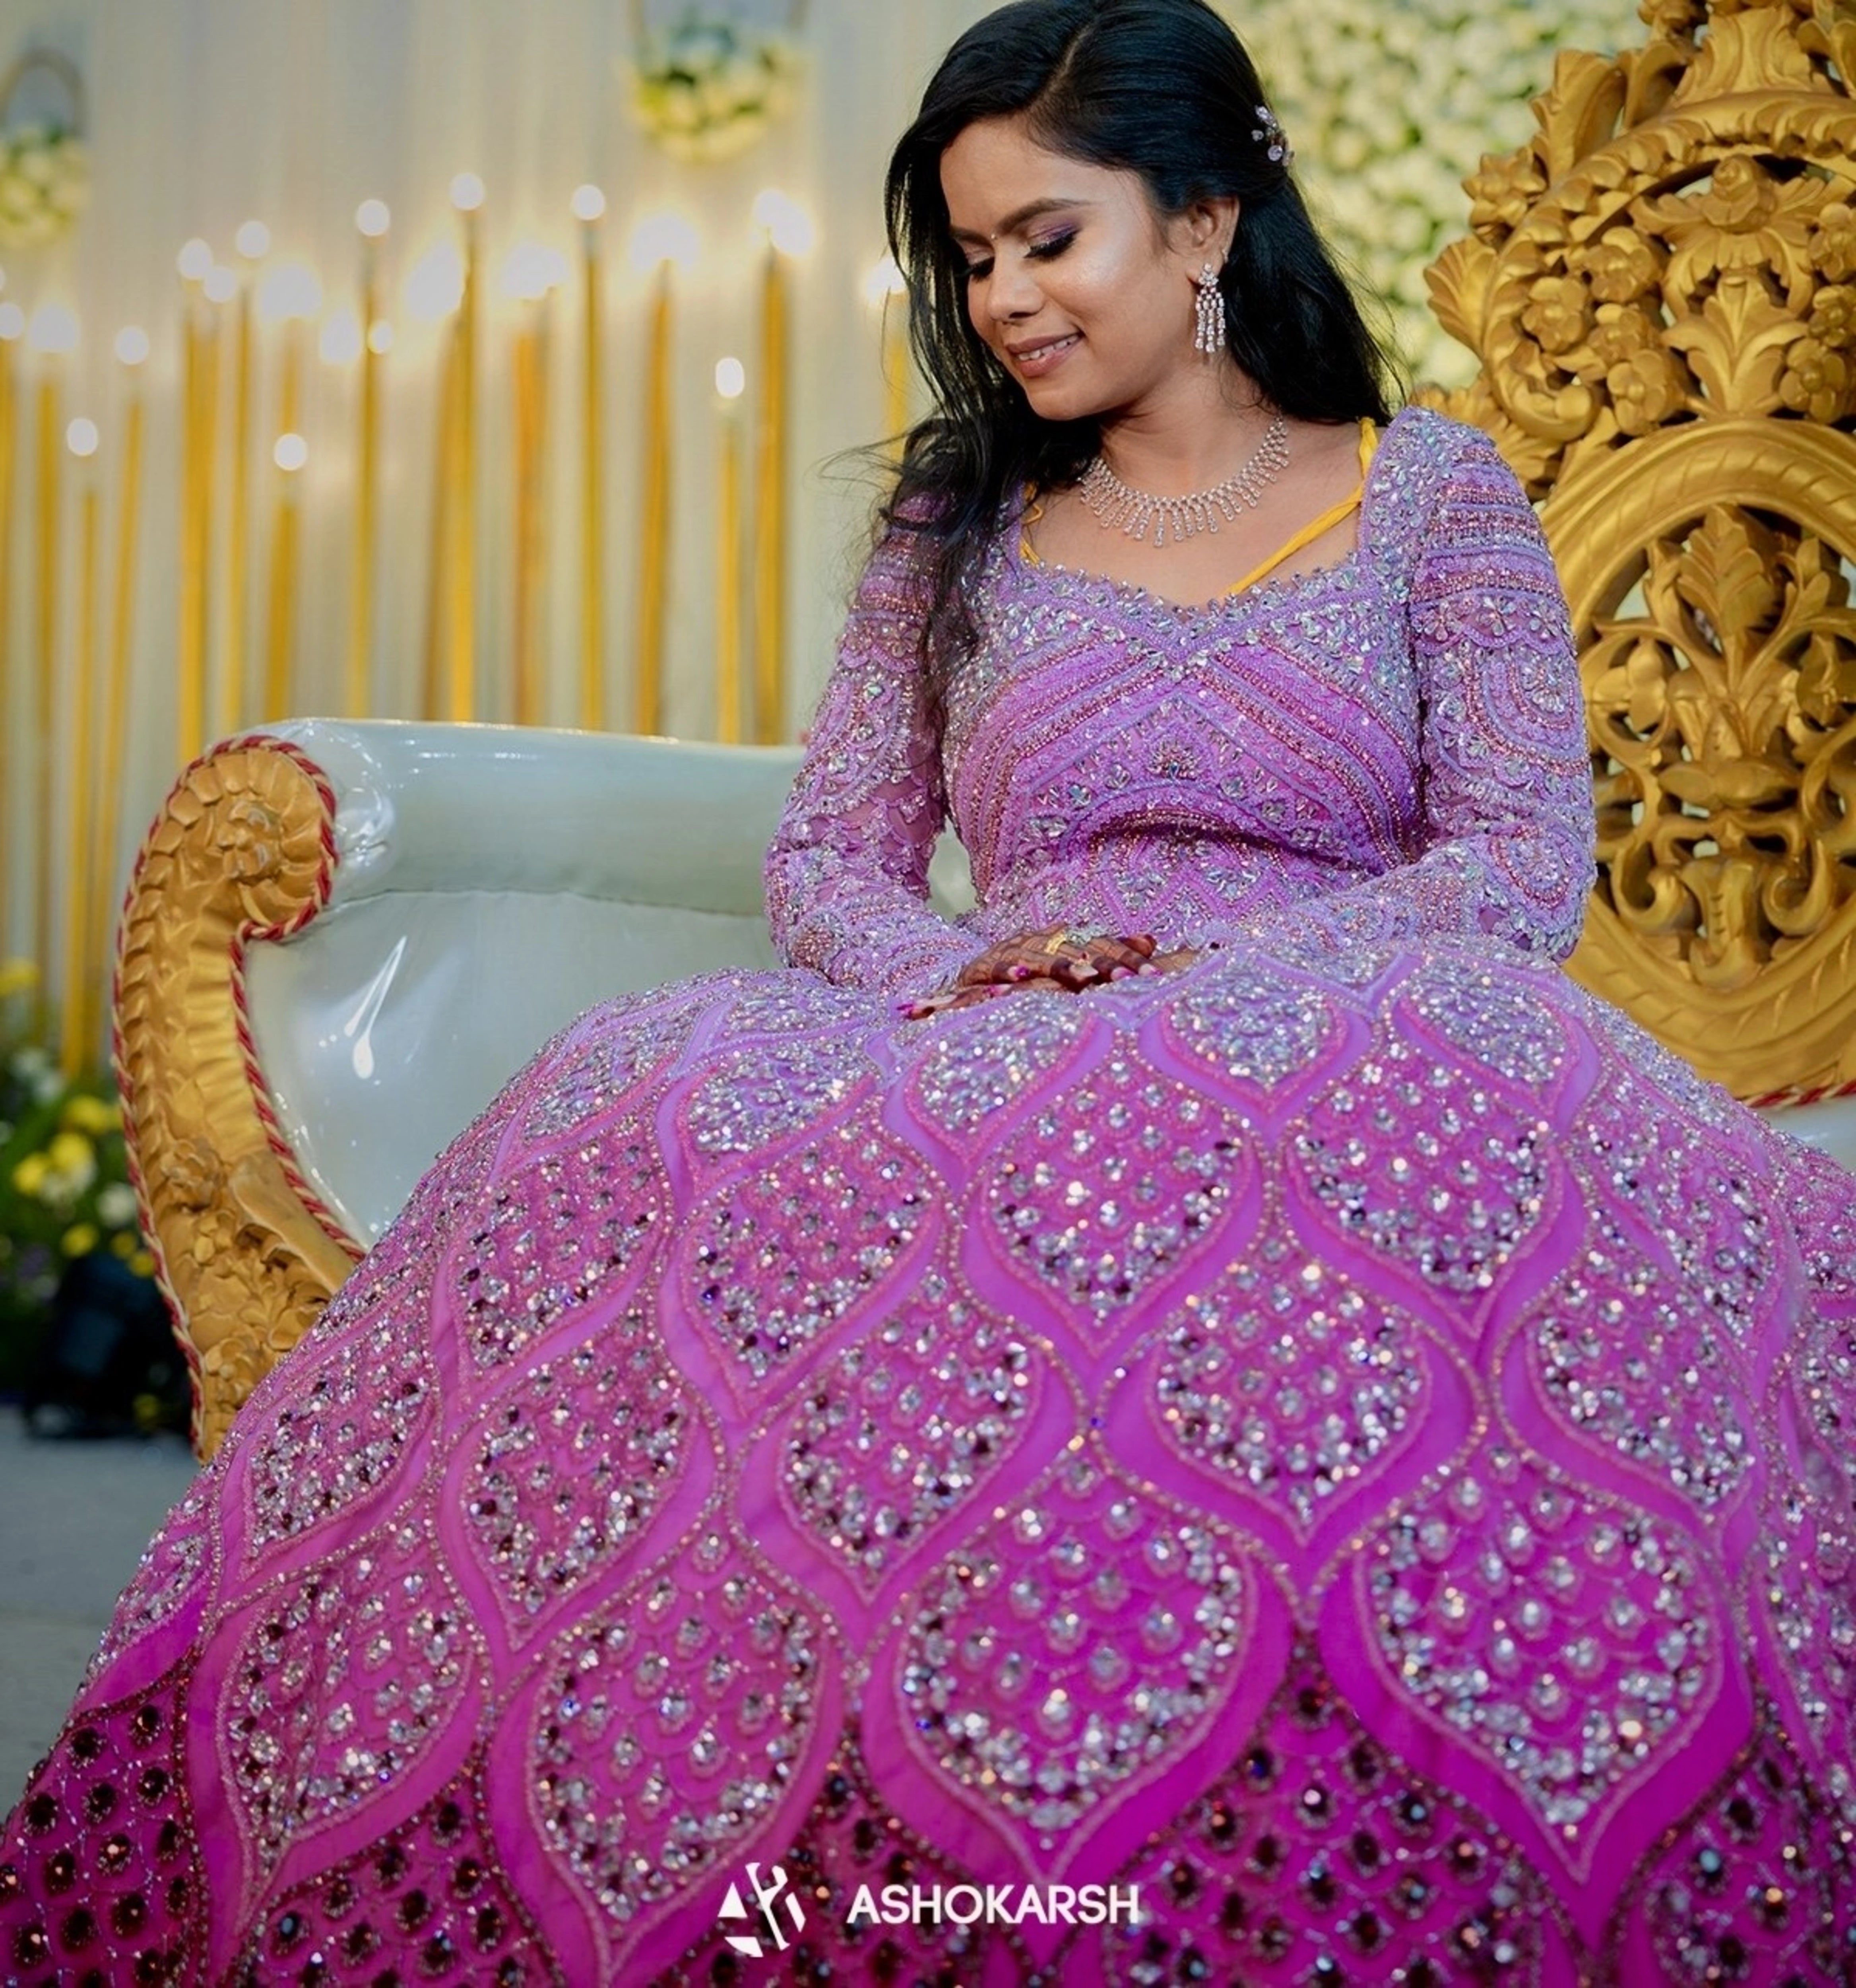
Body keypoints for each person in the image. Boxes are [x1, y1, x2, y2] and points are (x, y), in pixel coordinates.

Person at [6, 0, 1854, 1979]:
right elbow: (828, 859)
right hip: (993, 1014)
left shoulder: (1426, 495)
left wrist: (1216, 965)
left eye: (1047, 239)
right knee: (661, 1073)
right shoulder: (953, 517)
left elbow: (1510, 865)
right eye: (971, 259)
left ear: (1209, 220)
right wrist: (972, 961)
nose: (1001, 301)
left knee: (1429, 1041)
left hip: (1348, 1004)